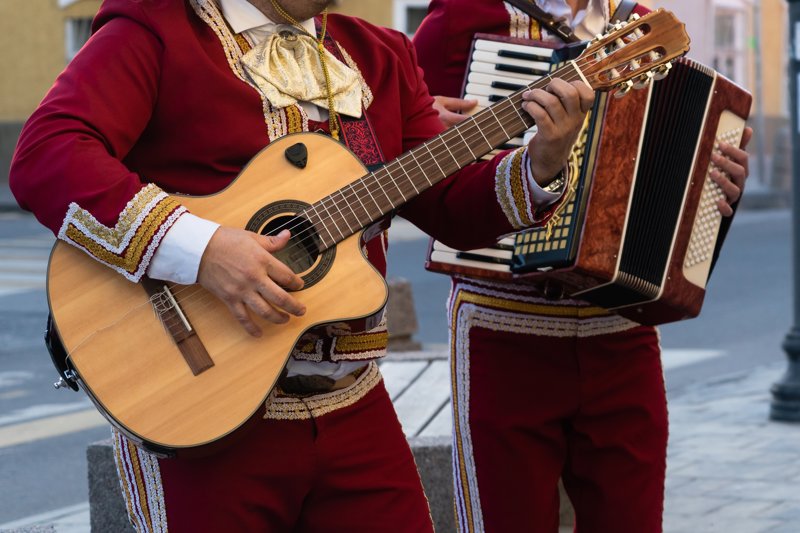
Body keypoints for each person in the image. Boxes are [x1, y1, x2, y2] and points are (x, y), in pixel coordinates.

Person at [9, 0, 595, 530]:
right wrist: (204, 250)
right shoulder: (159, 27)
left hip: (352, 404)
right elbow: (48, 152)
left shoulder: (378, 54)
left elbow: (447, 206)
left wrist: (538, 166)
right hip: (204, 406)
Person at [412, 1, 752, 532]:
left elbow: (673, 149)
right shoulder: (465, 14)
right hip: (503, 328)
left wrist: (714, 182)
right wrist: (415, 117)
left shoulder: (641, 20)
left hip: (621, 331)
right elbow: (391, 140)